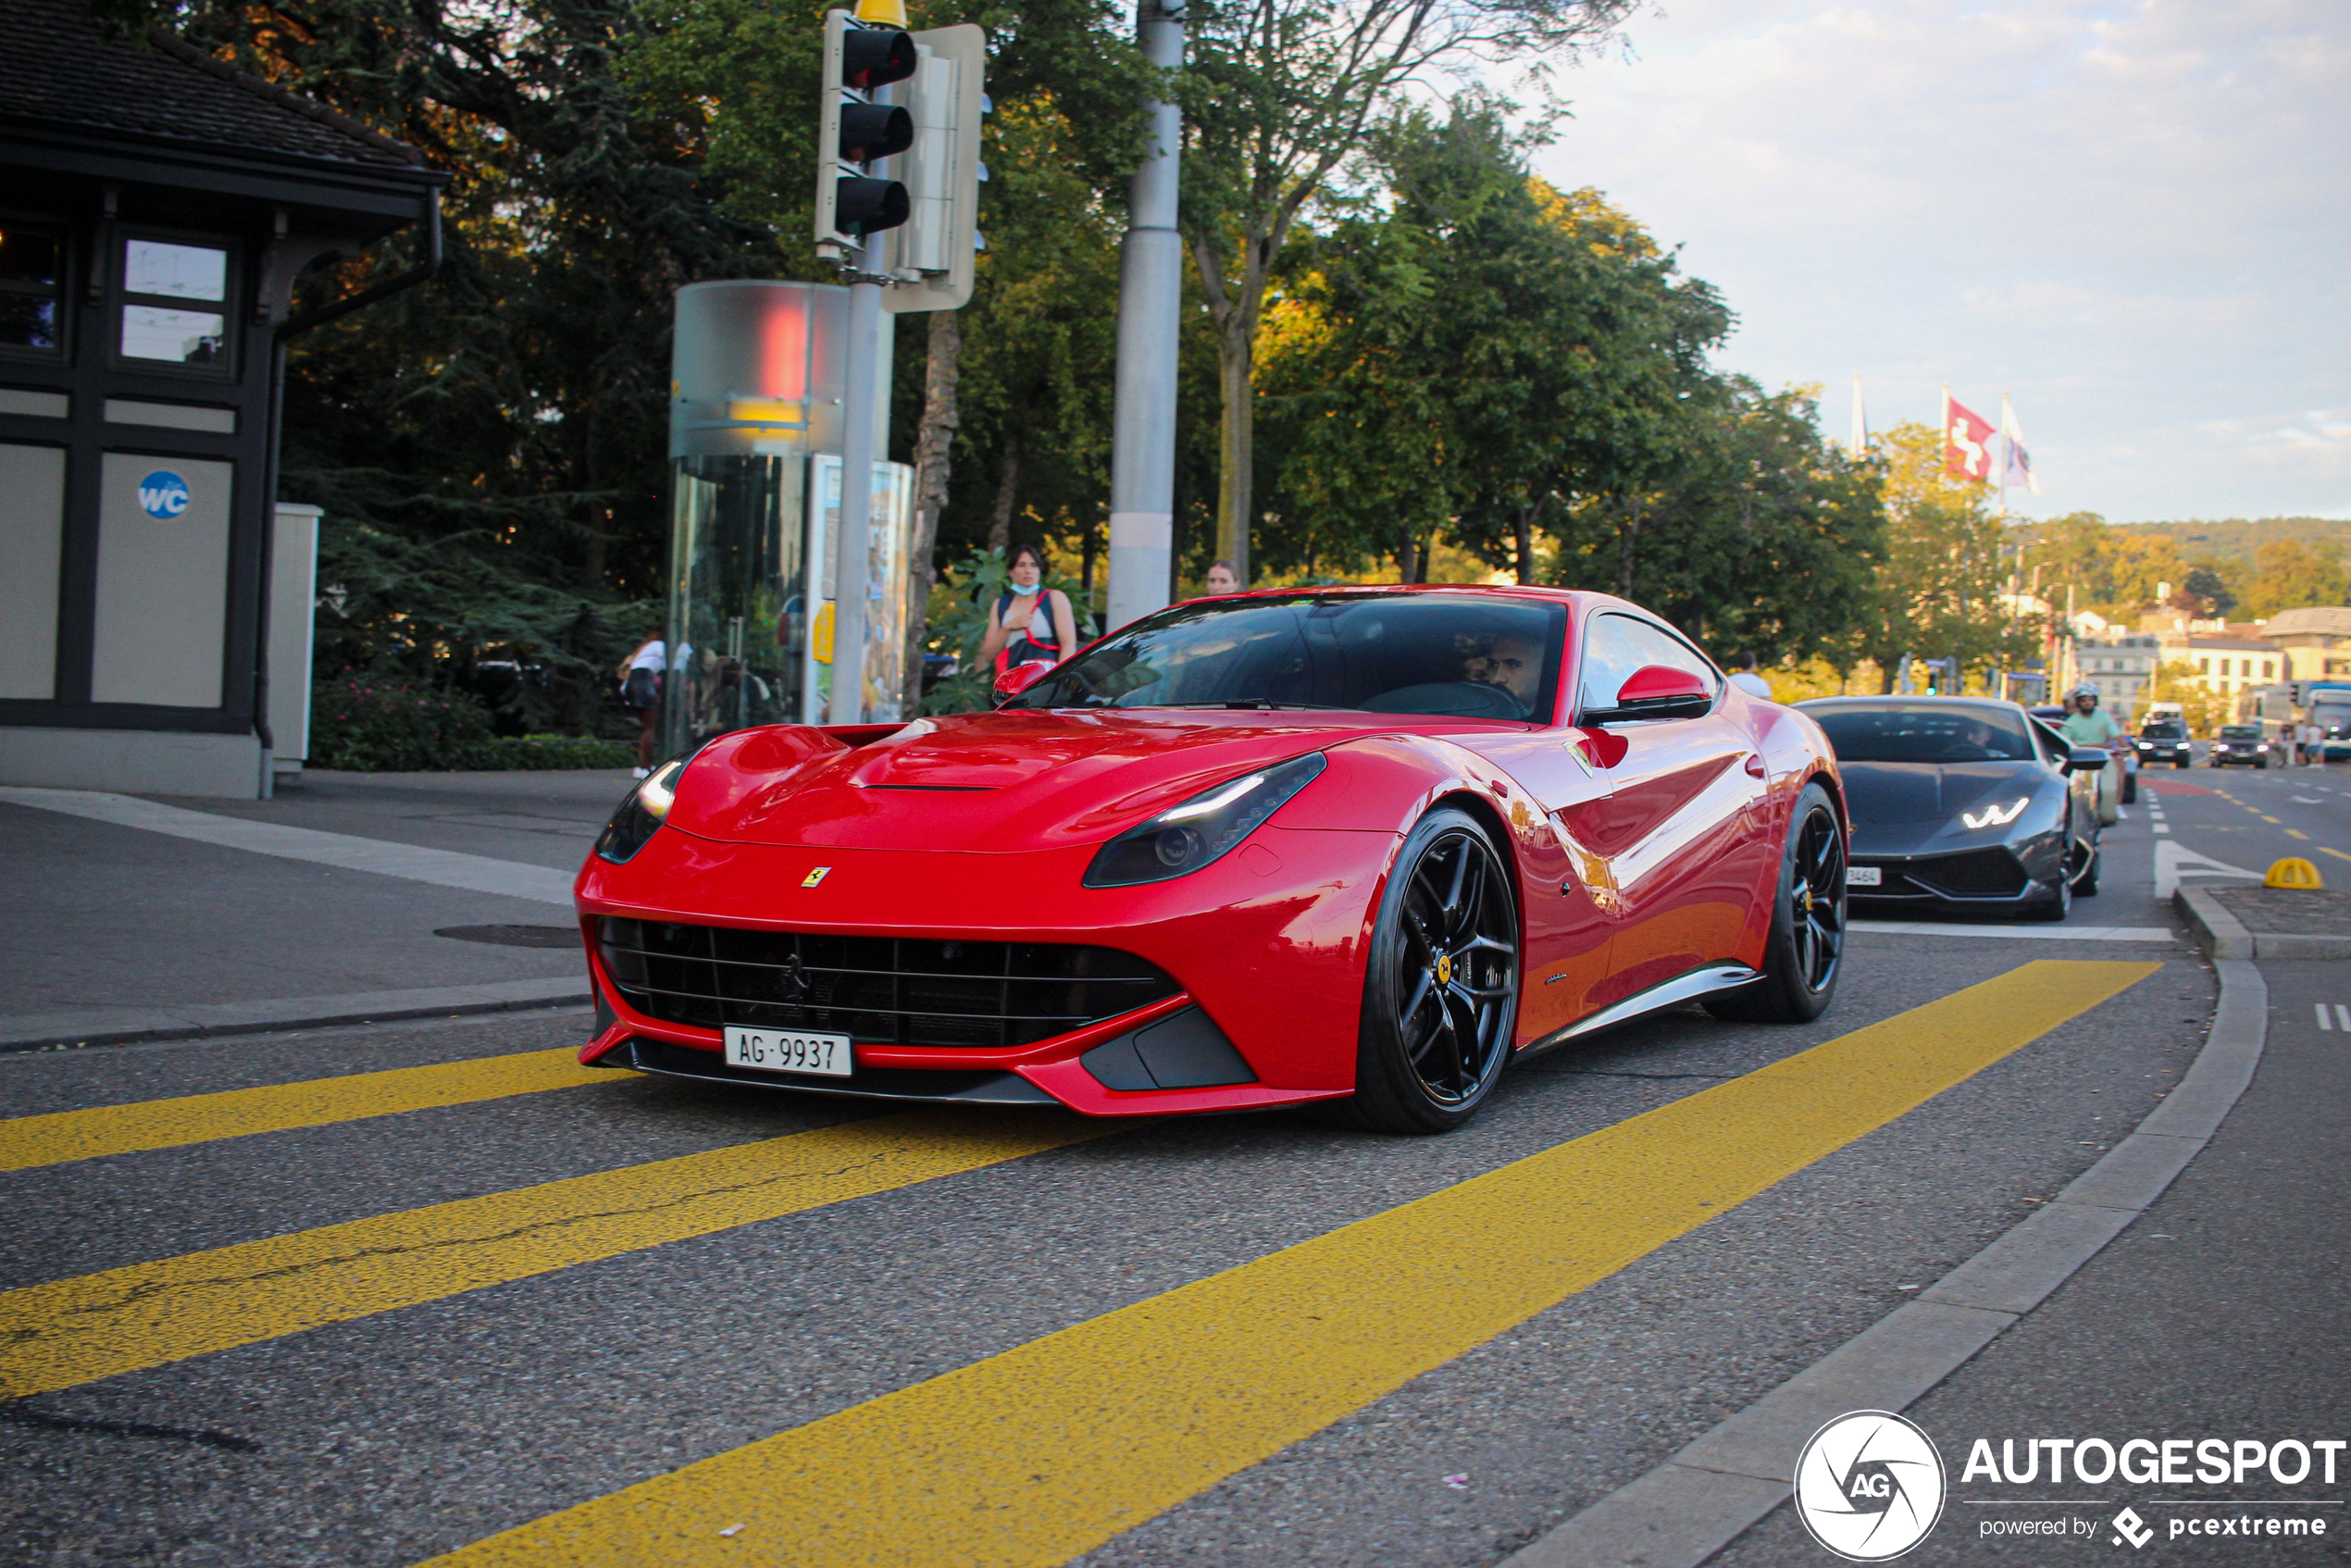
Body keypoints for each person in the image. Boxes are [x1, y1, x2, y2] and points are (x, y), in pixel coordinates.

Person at [980, 544, 1080, 677]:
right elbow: (988, 654)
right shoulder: (1000, 604)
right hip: (1014, 685)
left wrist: (1057, 681)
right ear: (1010, 572)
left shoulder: (1054, 598)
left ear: (1039, 570)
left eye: (1034, 565)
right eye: (1021, 565)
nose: (1028, 571)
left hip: (1047, 682)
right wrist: (1008, 628)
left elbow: (1068, 644)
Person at [617, 637, 666, 777]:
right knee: (650, 727)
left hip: (634, 683)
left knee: (647, 726)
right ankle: (646, 766)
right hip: (643, 682)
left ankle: (643, 765)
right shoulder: (660, 645)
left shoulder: (645, 649)